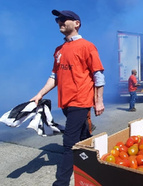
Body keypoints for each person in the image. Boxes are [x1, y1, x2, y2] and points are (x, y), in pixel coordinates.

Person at [30, 10, 105, 186]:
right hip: (65, 102)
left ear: (77, 23)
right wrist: (40, 94)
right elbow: (54, 76)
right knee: (83, 136)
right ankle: (95, 161)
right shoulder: (59, 50)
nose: (60, 22)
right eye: (58, 19)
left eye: (64, 19)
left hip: (80, 100)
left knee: (69, 142)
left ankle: (61, 182)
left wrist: (98, 101)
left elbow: (98, 74)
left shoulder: (87, 46)